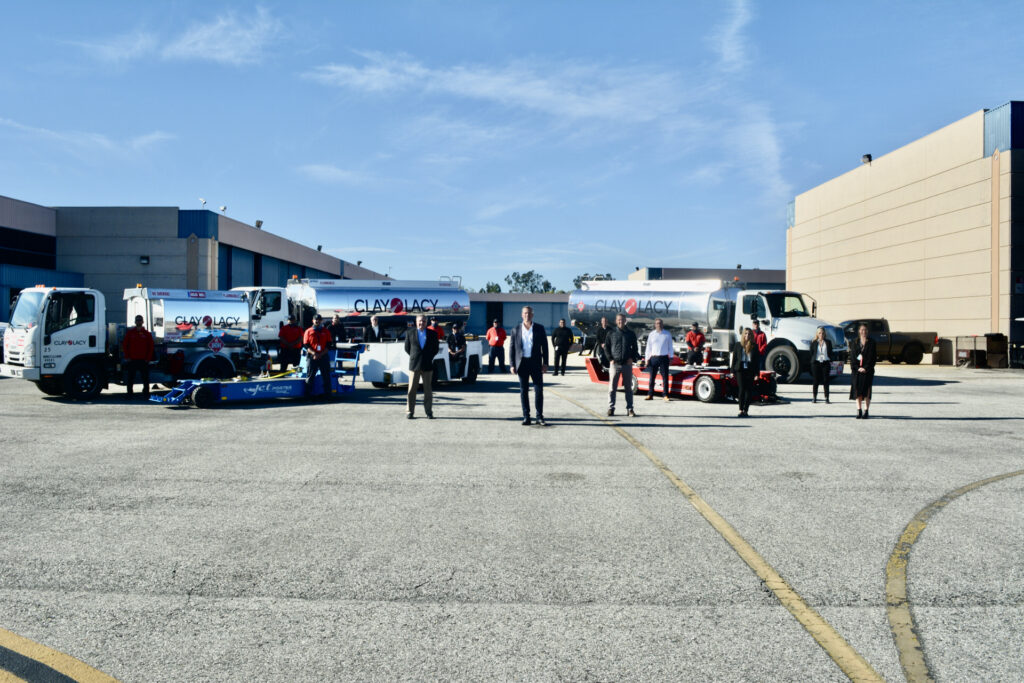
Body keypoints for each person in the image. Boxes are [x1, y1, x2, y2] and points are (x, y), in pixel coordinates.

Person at [509, 306, 549, 426]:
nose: (527, 315)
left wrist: (545, 363)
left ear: (532, 315)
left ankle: (539, 416)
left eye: (529, 313)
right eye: (525, 313)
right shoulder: (515, 330)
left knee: (538, 390)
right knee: (523, 391)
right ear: (522, 315)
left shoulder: (539, 328)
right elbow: (511, 348)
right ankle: (526, 416)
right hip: (522, 364)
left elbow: (545, 347)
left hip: (535, 363)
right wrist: (512, 364)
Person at [604, 313, 640, 417]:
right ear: (616, 321)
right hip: (615, 364)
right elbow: (606, 347)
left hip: (626, 365)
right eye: (619, 320)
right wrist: (610, 359)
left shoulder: (630, 334)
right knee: (612, 388)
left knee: (628, 388)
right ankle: (611, 408)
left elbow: (635, 349)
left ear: (625, 321)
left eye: (622, 320)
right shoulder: (611, 333)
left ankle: (630, 409)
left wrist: (632, 359)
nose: (621, 321)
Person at [405, 314, 439, 419]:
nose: (421, 323)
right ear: (416, 322)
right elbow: (407, 348)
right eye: (420, 321)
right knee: (411, 390)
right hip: (414, 365)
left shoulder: (433, 334)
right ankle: (410, 412)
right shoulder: (409, 333)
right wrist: (415, 357)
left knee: (428, 390)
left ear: (427, 322)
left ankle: (429, 412)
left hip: (427, 365)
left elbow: (435, 349)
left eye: (424, 321)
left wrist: (429, 357)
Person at [122, 314, 154, 398]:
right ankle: (129, 394)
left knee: (145, 378)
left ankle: (146, 393)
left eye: (140, 320)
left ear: (142, 322)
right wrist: (127, 357)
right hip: (132, 360)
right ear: (135, 322)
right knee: (130, 378)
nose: (139, 322)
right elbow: (125, 345)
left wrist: (148, 358)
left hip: (143, 360)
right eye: (137, 320)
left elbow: (151, 347)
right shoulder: (130, 333)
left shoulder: (147, 334)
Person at [849, 323, 877, 419]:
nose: (863, 332)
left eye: (865, 330)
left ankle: (866, 411)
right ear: (859, 331)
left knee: (867, 391)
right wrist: (857, 368)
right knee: (858, 391)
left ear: (867, 332)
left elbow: (872, 358)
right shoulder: (855, 342)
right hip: (856, 372)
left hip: (867, 371)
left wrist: (865, 367)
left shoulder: (871, 343)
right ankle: (859, 410)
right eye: (862, 330)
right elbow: (852, 357)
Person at [303, 314, 334, 399]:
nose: (317, 321)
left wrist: (320, 354)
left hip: (323, 356)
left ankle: (328, 396)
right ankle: (308, 397)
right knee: (310, 377)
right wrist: (314, 354)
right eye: (315, 319)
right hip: (312, 357)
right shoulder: (308, 331)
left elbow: (329, 345)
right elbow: (306, 345)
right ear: (313, 321)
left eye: (319, 320)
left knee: (326, 376)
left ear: (321, 321)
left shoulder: (326, 331)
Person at [731, 328, 760, 417]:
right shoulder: (738, 345)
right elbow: (734, 359)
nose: (747, 335)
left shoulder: (754, 346)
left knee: (749, 391)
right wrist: (732, 371)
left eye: (749, 334)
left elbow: (756, 361)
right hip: (740, 369)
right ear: (743, 335)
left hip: (750, 370)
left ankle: (746, 410)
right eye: (746, 334)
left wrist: (757, 374)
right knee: (741, 389)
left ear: (751, 336)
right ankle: (740, 410)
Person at [644, 318, 673, 401]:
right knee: (652, 377)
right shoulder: (651, 334)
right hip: (654, 358)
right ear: (655, 324)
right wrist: (647, 359)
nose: (658, 325)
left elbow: (670, 347)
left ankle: (665, 395)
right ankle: (650, 394)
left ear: (662, 324)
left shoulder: (667, 334)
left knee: (665, 377)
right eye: (657, 323)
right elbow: (648, 348)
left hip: (664, 358)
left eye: (660, 323)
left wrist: (671, 357)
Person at [809, 326, 834, 404]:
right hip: (816, 363)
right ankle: (814, 397)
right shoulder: (814, 342)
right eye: (819, 333)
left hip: (825, 363)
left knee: (826, 381)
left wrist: (829, 358)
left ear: (825, 334)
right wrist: (814, 359)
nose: (821, 334)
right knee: (816, 381)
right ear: (817, 334)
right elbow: (811, 352)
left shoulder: (828, 342)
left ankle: (827, 398)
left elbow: (830, 352)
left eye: (823, 333)